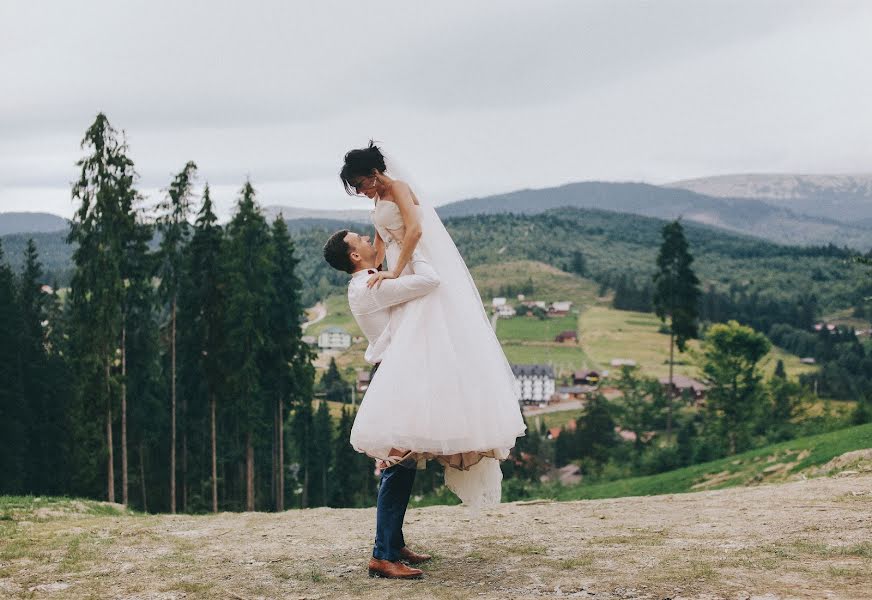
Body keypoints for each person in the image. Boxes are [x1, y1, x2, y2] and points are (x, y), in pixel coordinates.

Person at [337, 141, 527, 511]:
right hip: (399, 269)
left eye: (360, 184)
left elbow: (414, 232)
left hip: (414, 264)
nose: (361, 192)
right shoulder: (377, 201)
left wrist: (394, 270)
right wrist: (371, 270)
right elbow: (379, 241)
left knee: (430, 338)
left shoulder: (400, 190)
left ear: (374, 173)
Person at [323, 229, 440, 579]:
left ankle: (394, 542)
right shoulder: (372, 286)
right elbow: (430, 280)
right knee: (397, 463)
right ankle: (382, 555)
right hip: (394, 377)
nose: (367, 238)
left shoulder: (371, 280)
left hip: (396, 374)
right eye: (360, 238)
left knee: (403, 463)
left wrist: (383, 228)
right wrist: (411, 242)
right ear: (355, 256)